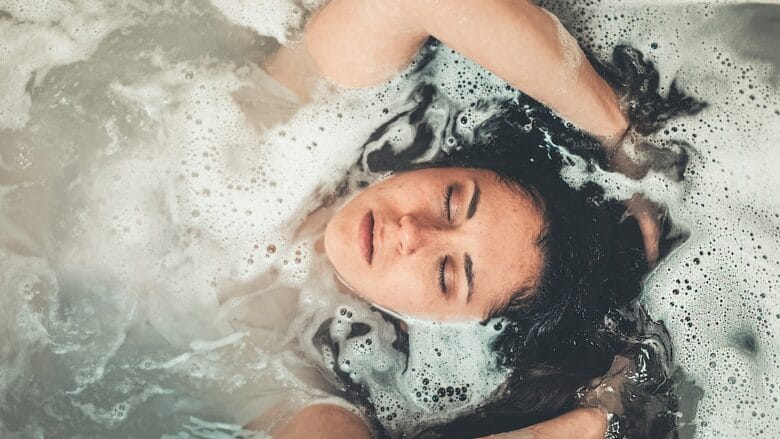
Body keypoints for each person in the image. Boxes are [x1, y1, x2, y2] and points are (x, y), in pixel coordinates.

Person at [243, 0, 702, 437]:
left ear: (422, 328)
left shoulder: (299, 378)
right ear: (446, 160)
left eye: (445, 274)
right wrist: (620, 135)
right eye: (451, 202)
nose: (411, 232)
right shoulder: (289, 120)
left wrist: (595, 418)